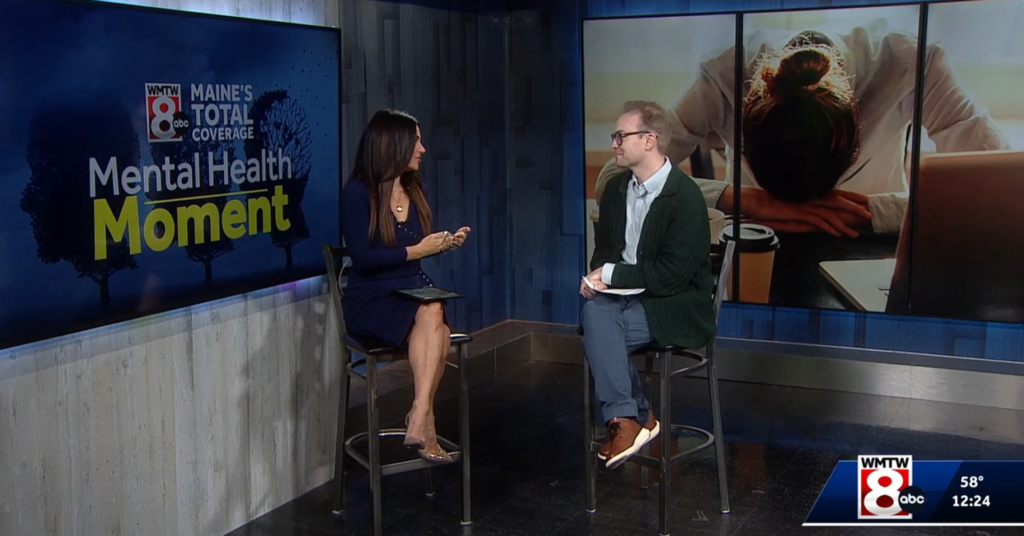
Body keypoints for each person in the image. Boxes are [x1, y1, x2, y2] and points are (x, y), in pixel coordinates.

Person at [595, 18, 1009, 237]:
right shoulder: (723, 73)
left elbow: (1007, 185)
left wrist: (872, 212)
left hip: (871, 246)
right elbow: (615, 179)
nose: (808, 207)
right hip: (760, 240)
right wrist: (749, 200)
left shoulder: (913, 62)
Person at [581, 100, 715, 469]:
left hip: (675, 305)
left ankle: (634, 417)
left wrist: (610, 275)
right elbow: (604, 253)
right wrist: (597, 279)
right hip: (622, 301)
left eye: (620, 136)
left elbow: (670, 277)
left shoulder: (685, 197)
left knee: (599, 332)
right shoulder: (616, 190)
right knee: (595, 313)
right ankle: (630, 417)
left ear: (649, 140)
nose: (614, 144)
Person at [341, 109, 471, 463]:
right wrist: (418, 250)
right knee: (438, 327)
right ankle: (425, 420)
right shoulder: (357, 193)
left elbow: (416, 249)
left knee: (433, 310)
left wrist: (442, 243)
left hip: (413, 294)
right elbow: (362, 257)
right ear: (392, 144)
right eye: (416, 141)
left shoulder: (415, 189)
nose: (422, 149)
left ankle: (419, 411)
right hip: (371, 299)